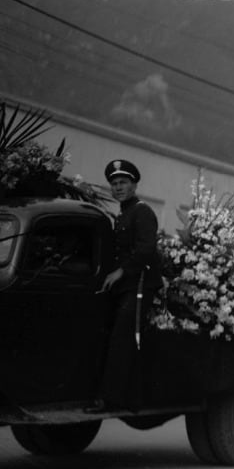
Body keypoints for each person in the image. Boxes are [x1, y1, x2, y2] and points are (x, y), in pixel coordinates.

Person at [93, 159, 162, 412]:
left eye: (123, 182)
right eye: (114, 184)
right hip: (125, 285)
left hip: (140, 284)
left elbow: (146, 249)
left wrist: (120, 271)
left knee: (124, 337)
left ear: (134, 185)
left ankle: (113, 399)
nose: (118, 187)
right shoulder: (123, 213)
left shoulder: (142, 211)